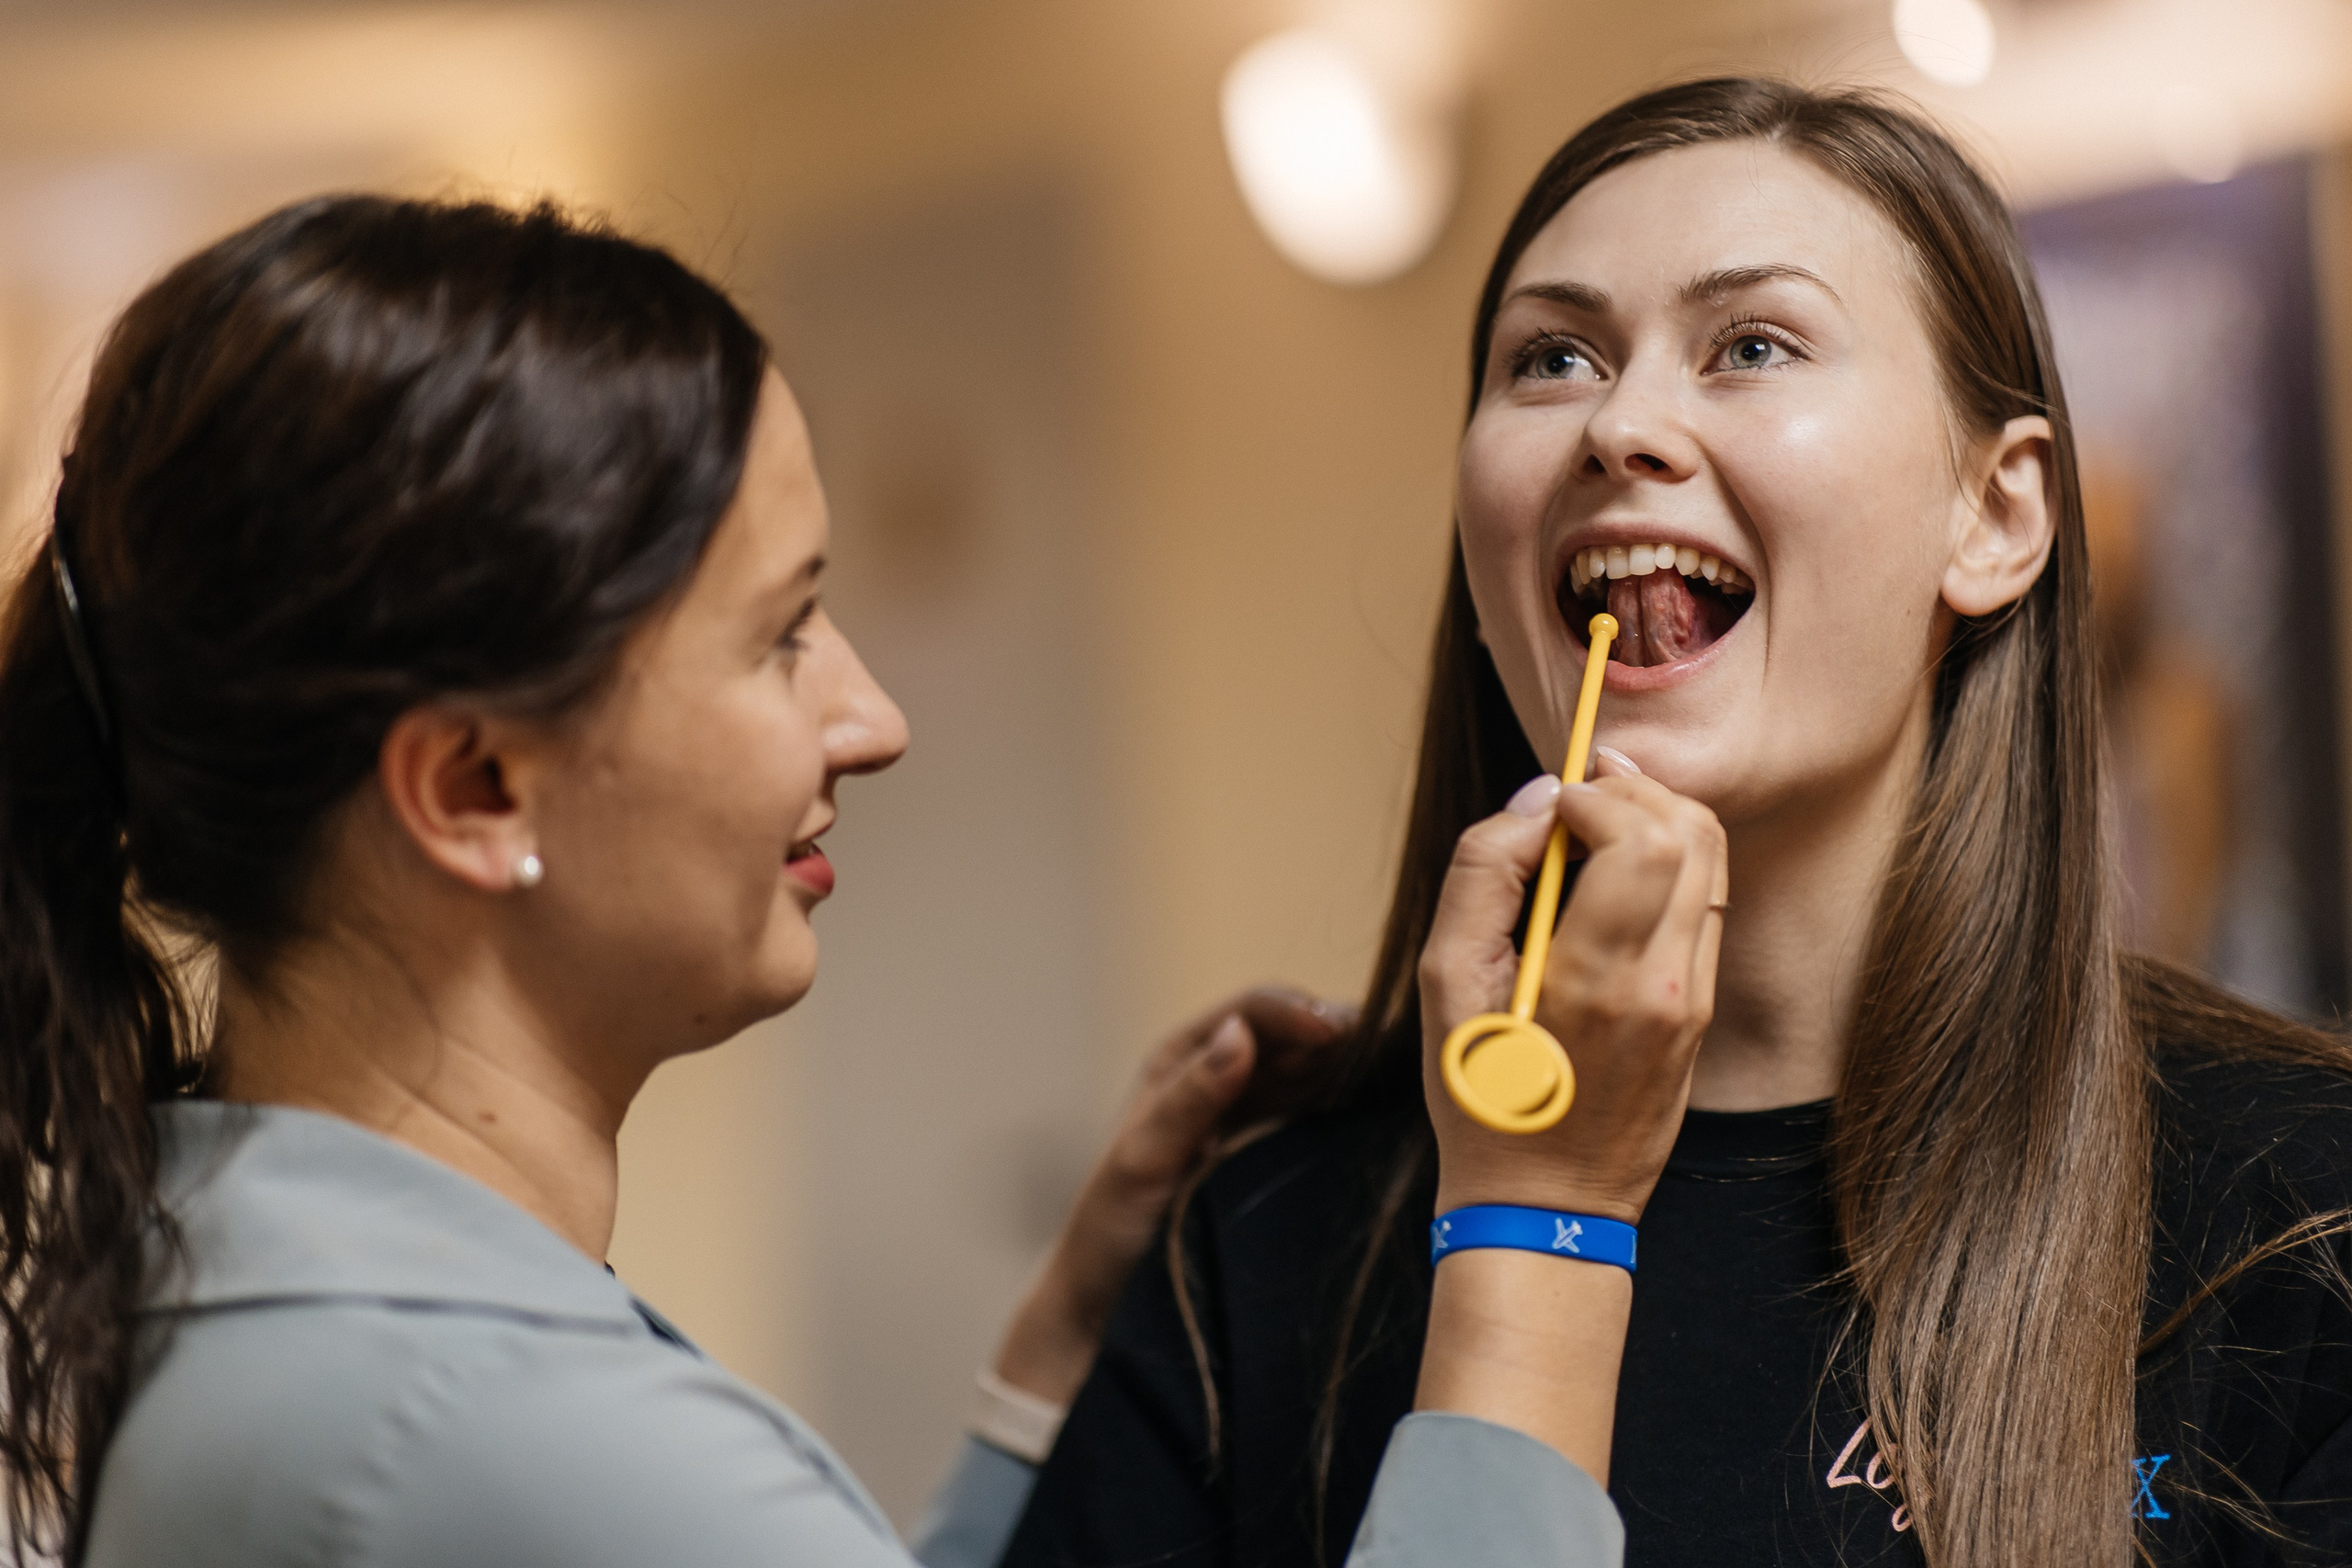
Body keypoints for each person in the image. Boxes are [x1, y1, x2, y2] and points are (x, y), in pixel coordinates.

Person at [0, 195, 1725, 1568]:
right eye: (782, 635)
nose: (875, 717)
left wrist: (1056, 1342)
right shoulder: (484, 1426)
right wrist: (1540, 1221)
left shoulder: (232, 1281)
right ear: (474, 783)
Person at [1005, 78, 2352, 1568]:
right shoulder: (1258, 1251)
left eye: (1754, 345)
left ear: (1998, 516)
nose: (1622, 424)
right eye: (1551, 358)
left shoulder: (2305, 1213)